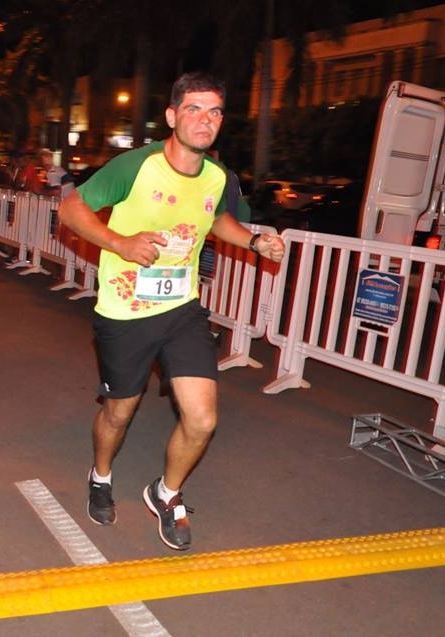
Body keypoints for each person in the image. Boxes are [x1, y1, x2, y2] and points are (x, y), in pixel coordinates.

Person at [58, 72, 285, 550]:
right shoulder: (135, 166)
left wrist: (256, 241)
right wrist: (120, 242)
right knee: (119, 413)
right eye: (194, 109)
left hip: (182, 309)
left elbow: (217, 220)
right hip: (124, 311)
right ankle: (100, 476)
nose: (205, 120)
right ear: (172, 115)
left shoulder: (219, 176)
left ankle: (166, 493)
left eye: (215, 111)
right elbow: (71, 210)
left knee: (203, 419)